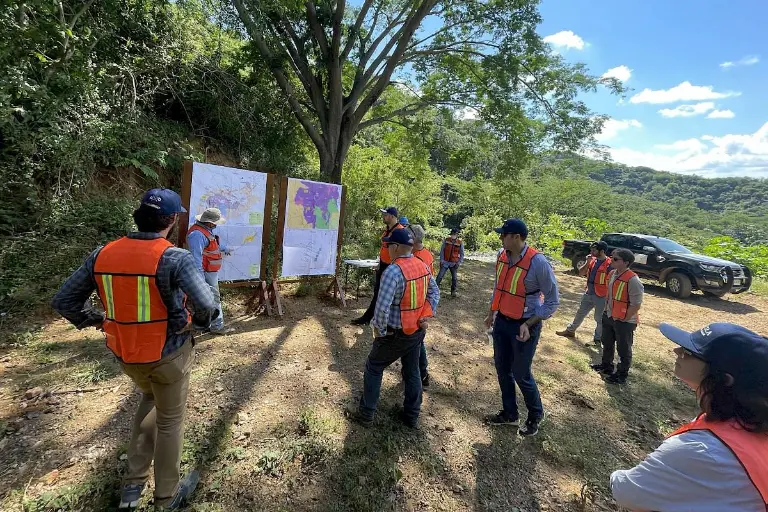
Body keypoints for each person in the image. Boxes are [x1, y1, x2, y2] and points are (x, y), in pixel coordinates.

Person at [50, 188, 217, 510]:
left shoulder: (103, 254)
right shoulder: (174, 256)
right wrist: (195, 325)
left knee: (149, 399)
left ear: (139, 216)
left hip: (126, 353)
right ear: (171, 220)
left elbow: (64, 301)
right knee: (170, 421)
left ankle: (132, 488)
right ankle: (167, 497)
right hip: (168, 352)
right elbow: (207, 305)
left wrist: (99, 321)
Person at [610, 322, 768, 511]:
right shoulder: (749, 423)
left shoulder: (702, 449)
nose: (677, 351)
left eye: (690, 352)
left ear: (724, 379)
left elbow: (628, 491)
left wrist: (614, 477)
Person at [351, 228, 440, 428]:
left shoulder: (393, 271)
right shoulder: (422, 265)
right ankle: (411, 416)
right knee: (413, 371)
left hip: (394, 333)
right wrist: (425, 315)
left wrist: (380, 333)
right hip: (415, 332)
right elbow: (435, 293)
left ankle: (366, 414)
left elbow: (381, 309)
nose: (387, 248)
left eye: (389, 245)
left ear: (398, 247)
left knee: (374, 367)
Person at [483, 219, 559, 437]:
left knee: (521, 373)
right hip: (502, 322)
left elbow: (552, 301)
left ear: (516, 237)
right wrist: (491, 313)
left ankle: (535, 415)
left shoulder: (538, 263)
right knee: (502, 368)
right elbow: (499, 287)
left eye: (503, 235)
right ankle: (509, 414)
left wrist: (529, 323)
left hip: (525, 326)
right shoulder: (502, 256)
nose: (500, 238)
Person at [590, 248, 644, 384]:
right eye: (612, 257)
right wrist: (606, 312)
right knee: (607, 342)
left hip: (624, 321)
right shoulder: (613, 273)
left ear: (626, 262)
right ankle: (606, 366)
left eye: (615, 259)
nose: (611, 260)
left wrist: (625, 318)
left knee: (623, 349)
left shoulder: (633, 280)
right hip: (609, 316)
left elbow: (636, 304)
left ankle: (621, 374)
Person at [351, 207, 404, 325]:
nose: (383, 217)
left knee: (385, 295)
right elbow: (384, 248)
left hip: (392, 268)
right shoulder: (387, 230)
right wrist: (380, 263)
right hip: (383, 266)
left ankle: (373, 319)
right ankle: (369, 318)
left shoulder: (400, 231)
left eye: (385, 215)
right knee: (378, 293)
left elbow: (401, 252)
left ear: (392, 216)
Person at [187, 207, 234, 335]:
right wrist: (200, 280)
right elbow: (196, 258)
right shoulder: (197, 235)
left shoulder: (205, 231)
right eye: (215, 222)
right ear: (209, 222)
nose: (216, 225)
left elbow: (213, 245)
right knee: (213, 298)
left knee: (209, 299)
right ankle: (217, 326)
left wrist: (225, 249)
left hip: (209, 272)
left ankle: (207, 325)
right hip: (206, 273)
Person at [556, 241, 612, 344]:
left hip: (601, 295)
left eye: (594, 250)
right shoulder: (592, 260)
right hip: (589, 292)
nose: (591, 251)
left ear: (602, 251)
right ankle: (570, 331)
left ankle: (597, 339)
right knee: (580, 313)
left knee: (599, 318)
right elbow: (581, 273)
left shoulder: (609, 264)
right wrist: (587, 262)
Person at [409, 224, 434, 387]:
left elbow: (429, 285)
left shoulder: (423, 256)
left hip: (418, 305)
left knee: (417, 341)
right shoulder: (416, 253)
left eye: (408, 233)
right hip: (414, 304)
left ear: (415, 238)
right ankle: (419, 372)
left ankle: (422, 373)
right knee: (416, 340)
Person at [436, 228, 464, 297]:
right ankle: (435, 290)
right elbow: (442, 250)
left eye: (455, 234)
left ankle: (453, 291)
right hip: (445, 262)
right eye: (452, 234)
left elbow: (462, 254)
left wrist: (459, 262)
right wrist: (441, 260)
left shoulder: (460, 243)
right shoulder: (446, 240)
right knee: (440, 276)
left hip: (454, 263)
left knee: (454, 278)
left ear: (457, 235)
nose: (453, 235)